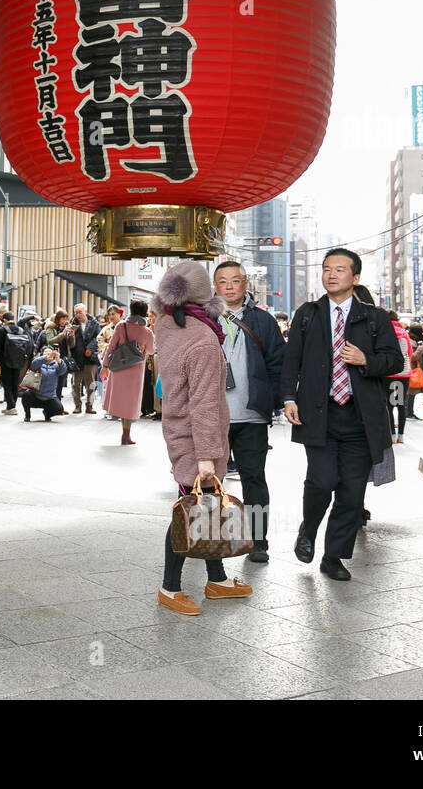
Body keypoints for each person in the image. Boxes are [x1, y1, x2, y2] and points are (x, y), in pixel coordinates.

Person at [282, 248, 403, 582]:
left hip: (361, 418)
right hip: (318, 415)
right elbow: (291, 361)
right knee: (321, 480)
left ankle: (333, 555)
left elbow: (394, 361)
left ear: (356, 277)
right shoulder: (307, 314)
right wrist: (288, 398)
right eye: (326, 269)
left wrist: (367, 360)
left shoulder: (375, 318)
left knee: (351, 492)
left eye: (339, 269)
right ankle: (309, 528)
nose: (331, 274)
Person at [151, 261, 253, 615]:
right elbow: (206, 403)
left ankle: (218, 579)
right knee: (189, 512)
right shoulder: (203, 339)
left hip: (177, 428)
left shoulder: (166, 323)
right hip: (197, 438)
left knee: (204, 509)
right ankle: (170, 587)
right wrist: (208, 456)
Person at [213, 261, 285, 563]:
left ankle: (259, 541)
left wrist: (279, 402)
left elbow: (278, 363)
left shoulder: (263, 321)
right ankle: (209, 538)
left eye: (236, 280)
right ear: (214, 286)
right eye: (223, 281)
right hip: (212, 415)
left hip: (251, 414)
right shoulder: (203, 319)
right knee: (207, 481)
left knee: (254, 479)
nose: (229, 286)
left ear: (246, 284)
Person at [101, 299, 153, 445]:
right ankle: (126, 434)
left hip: (119, 368)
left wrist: (105, 366)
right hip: (136, 371)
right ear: (144, 313)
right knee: (130, 403)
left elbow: (110, 347)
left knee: (121, 401)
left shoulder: (121, 326)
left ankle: (125, 433)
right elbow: (150, 351)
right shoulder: (147, 331)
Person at [386, 310, 413, 445]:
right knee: (401, 404)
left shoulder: (385, 333)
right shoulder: (404, 334)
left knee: (389, 405)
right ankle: (401, 436)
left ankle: (392, 435)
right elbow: (409, 352)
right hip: (403, 373)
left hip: (389, 373)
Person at [69, 303, 102, 414]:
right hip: (77, 357)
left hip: (90, 357)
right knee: (75, 384)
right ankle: (77, 405)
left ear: (86, 312)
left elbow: (98, 337)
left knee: (91, 383)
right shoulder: (72, 324)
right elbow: (69, 341)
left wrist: (90, 348)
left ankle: (90, 405)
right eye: (76, 313)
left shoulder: (94, 323)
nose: (78, 315)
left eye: (80, 312)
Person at [22, 347, 67, 421]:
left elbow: (63, 371)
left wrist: (58, 359)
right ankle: (27, 415)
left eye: (50, 352)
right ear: (42, 354)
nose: (48, 353)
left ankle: (47, 414)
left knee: (59, 409)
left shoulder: (56, 365)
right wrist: (45, 358)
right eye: (46, 352)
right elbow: (33, 365)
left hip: (49, 397)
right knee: (25, 395)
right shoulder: (38, 362)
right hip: (35, 395)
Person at [41, 309, 74, 412]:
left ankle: (57, 407)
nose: (65, 321)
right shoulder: (51, 328)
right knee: (52, 384)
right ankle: (49, 408)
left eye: (66, 318)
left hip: (63, 359)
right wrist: (63, 334)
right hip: (52, 359)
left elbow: (72, 345)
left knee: (60, 385)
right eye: (63, 318)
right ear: (58, 319)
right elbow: (50, 341)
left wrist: (72, 336)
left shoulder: (66, 328)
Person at [0, 310, 26, 415]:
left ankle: (11, 406)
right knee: (15, 383)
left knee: (7, 383)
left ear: (4, 320)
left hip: (6, 360)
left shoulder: (3, 329)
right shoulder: (21, 330)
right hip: (19, 360)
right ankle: (12, 406)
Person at [97, 306, 122, 418]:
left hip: (122, 360)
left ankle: (120, 410)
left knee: (121, 386)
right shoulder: (106, 329)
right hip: (109, 360)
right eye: (110, 314)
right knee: (107, 385)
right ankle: (109, 410)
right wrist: (109, 347)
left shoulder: (124, 327)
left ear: (119, 315)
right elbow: (100, 341)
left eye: (114, 314)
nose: (111, 316)